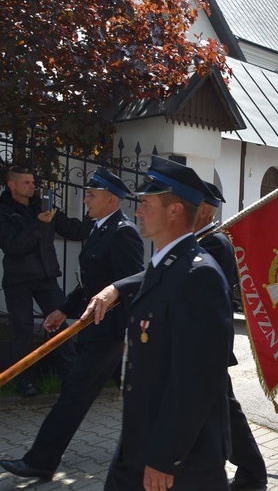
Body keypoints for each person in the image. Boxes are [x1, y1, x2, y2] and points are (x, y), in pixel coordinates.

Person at [80, 156, 234, 490]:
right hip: (142, 436)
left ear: (175, 211)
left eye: (146, 204)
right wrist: (115, 288)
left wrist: (166, 457)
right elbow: (148, 279)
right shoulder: (166, 264)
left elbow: (197, 379)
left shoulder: (199, 275)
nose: (137, 211)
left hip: (181, 458)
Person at [0, 167, 144, 481]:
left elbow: (130, 286)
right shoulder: (100, 229)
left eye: (91, 196)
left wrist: (125, 336)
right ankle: (160, 447)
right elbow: (92, 283)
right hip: (100, 330)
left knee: (74, 395)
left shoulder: (123, 232)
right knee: (140, 398)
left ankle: (40, 461)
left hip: (110, 333)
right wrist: (63, 310)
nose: (86, 201)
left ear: (110, 199)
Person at [195, 180, 268, 491]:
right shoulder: (201, 239)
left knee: (225, 408)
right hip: (199, 344)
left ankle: (253, 471)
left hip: (207, 344)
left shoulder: (213, 243)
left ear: (203, 210)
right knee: (217, 408)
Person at [0, 166, 94, 396]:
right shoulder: (3, 211)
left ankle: (70, 378)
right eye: (26, 182)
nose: (32, 186)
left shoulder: (43, 207)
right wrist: (39, 225)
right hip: (18, 280)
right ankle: (24, 380)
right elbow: (13, 246)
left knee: (59, 325)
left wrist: (94, 214)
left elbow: (75, 230)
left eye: (33, 182)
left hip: (46, 276)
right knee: (21, 328)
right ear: (12, 185)